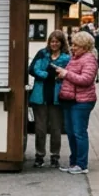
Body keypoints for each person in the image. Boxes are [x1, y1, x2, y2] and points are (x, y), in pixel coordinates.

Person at [28, 30, 70, 168]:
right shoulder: (42, 53)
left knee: (56, 128)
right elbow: (33, 69)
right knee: (40, 128)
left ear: (61, 43)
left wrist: (56, 75)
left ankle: (55, 156)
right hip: (40, 96)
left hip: (57, 96)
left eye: (57, 41)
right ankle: (39, 155)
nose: (54, 44)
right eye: (52, 41)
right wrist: (49, 75)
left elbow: (68, 74)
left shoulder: (66, 58)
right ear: (49, 42)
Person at [59, 31, 99, 174]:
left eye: (76, 45)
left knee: (79, 132)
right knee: (70, 132)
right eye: (73, 44)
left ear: (84, 46)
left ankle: (82, 165)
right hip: (70, 100)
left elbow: (86, 80)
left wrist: (66, 74)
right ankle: (74, 162)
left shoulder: (89, 59)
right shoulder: (75, 58)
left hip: (82, 101)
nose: (72, 47)